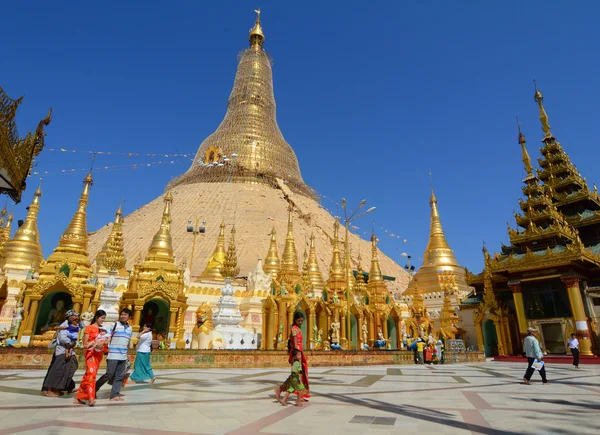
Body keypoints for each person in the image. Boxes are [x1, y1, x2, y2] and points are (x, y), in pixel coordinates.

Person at [95, 308, 132, 401]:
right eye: (122, 314)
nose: (123, 316)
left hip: (123, 355)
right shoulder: (114, 325)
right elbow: (106, 334)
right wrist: (103, 340)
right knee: (109, 374)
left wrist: (128, 354)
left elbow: (128, 341)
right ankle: (94, 388)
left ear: (129, 317)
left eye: (125, 315)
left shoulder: (130, 328)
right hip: (113, 354)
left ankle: (114, 394)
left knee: (119, 376)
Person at [41, 310, 80, 397]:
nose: (75, 319)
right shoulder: (64, 325)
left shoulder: (73, 326)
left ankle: (66, 386)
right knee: (57, 370)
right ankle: (50, 389)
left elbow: (82, 326)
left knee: (72, 366)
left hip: (70, 350)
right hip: (62, 350)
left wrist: (79, 320)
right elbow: (63, 338)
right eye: (73, 317)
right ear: (68, 317)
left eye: (76, 317)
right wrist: (71, 343)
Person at [74, 310, 107, 406]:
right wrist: (93, 343)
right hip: (90, 354)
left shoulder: (103, 330)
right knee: (91, 374)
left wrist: (104, 342)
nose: (103, 320)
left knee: (90, 375)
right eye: (102, 318)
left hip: (98, 354)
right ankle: (91, 397)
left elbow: (105, 341)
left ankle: (80, 396)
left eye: (104, 318)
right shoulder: (89, 328)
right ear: (96, 317)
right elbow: (85, 344)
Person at [288, 312, 310, 400]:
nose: (300, 322)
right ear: (295, 320)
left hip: (300, 353)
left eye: (301, 321)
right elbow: (295, 344)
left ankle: (301, 394)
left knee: (301, 373)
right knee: (297, 375)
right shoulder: (294, 329)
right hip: (297, 354)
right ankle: (298, 395)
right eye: (299, 320)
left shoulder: (298, 329)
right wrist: (297, 356)